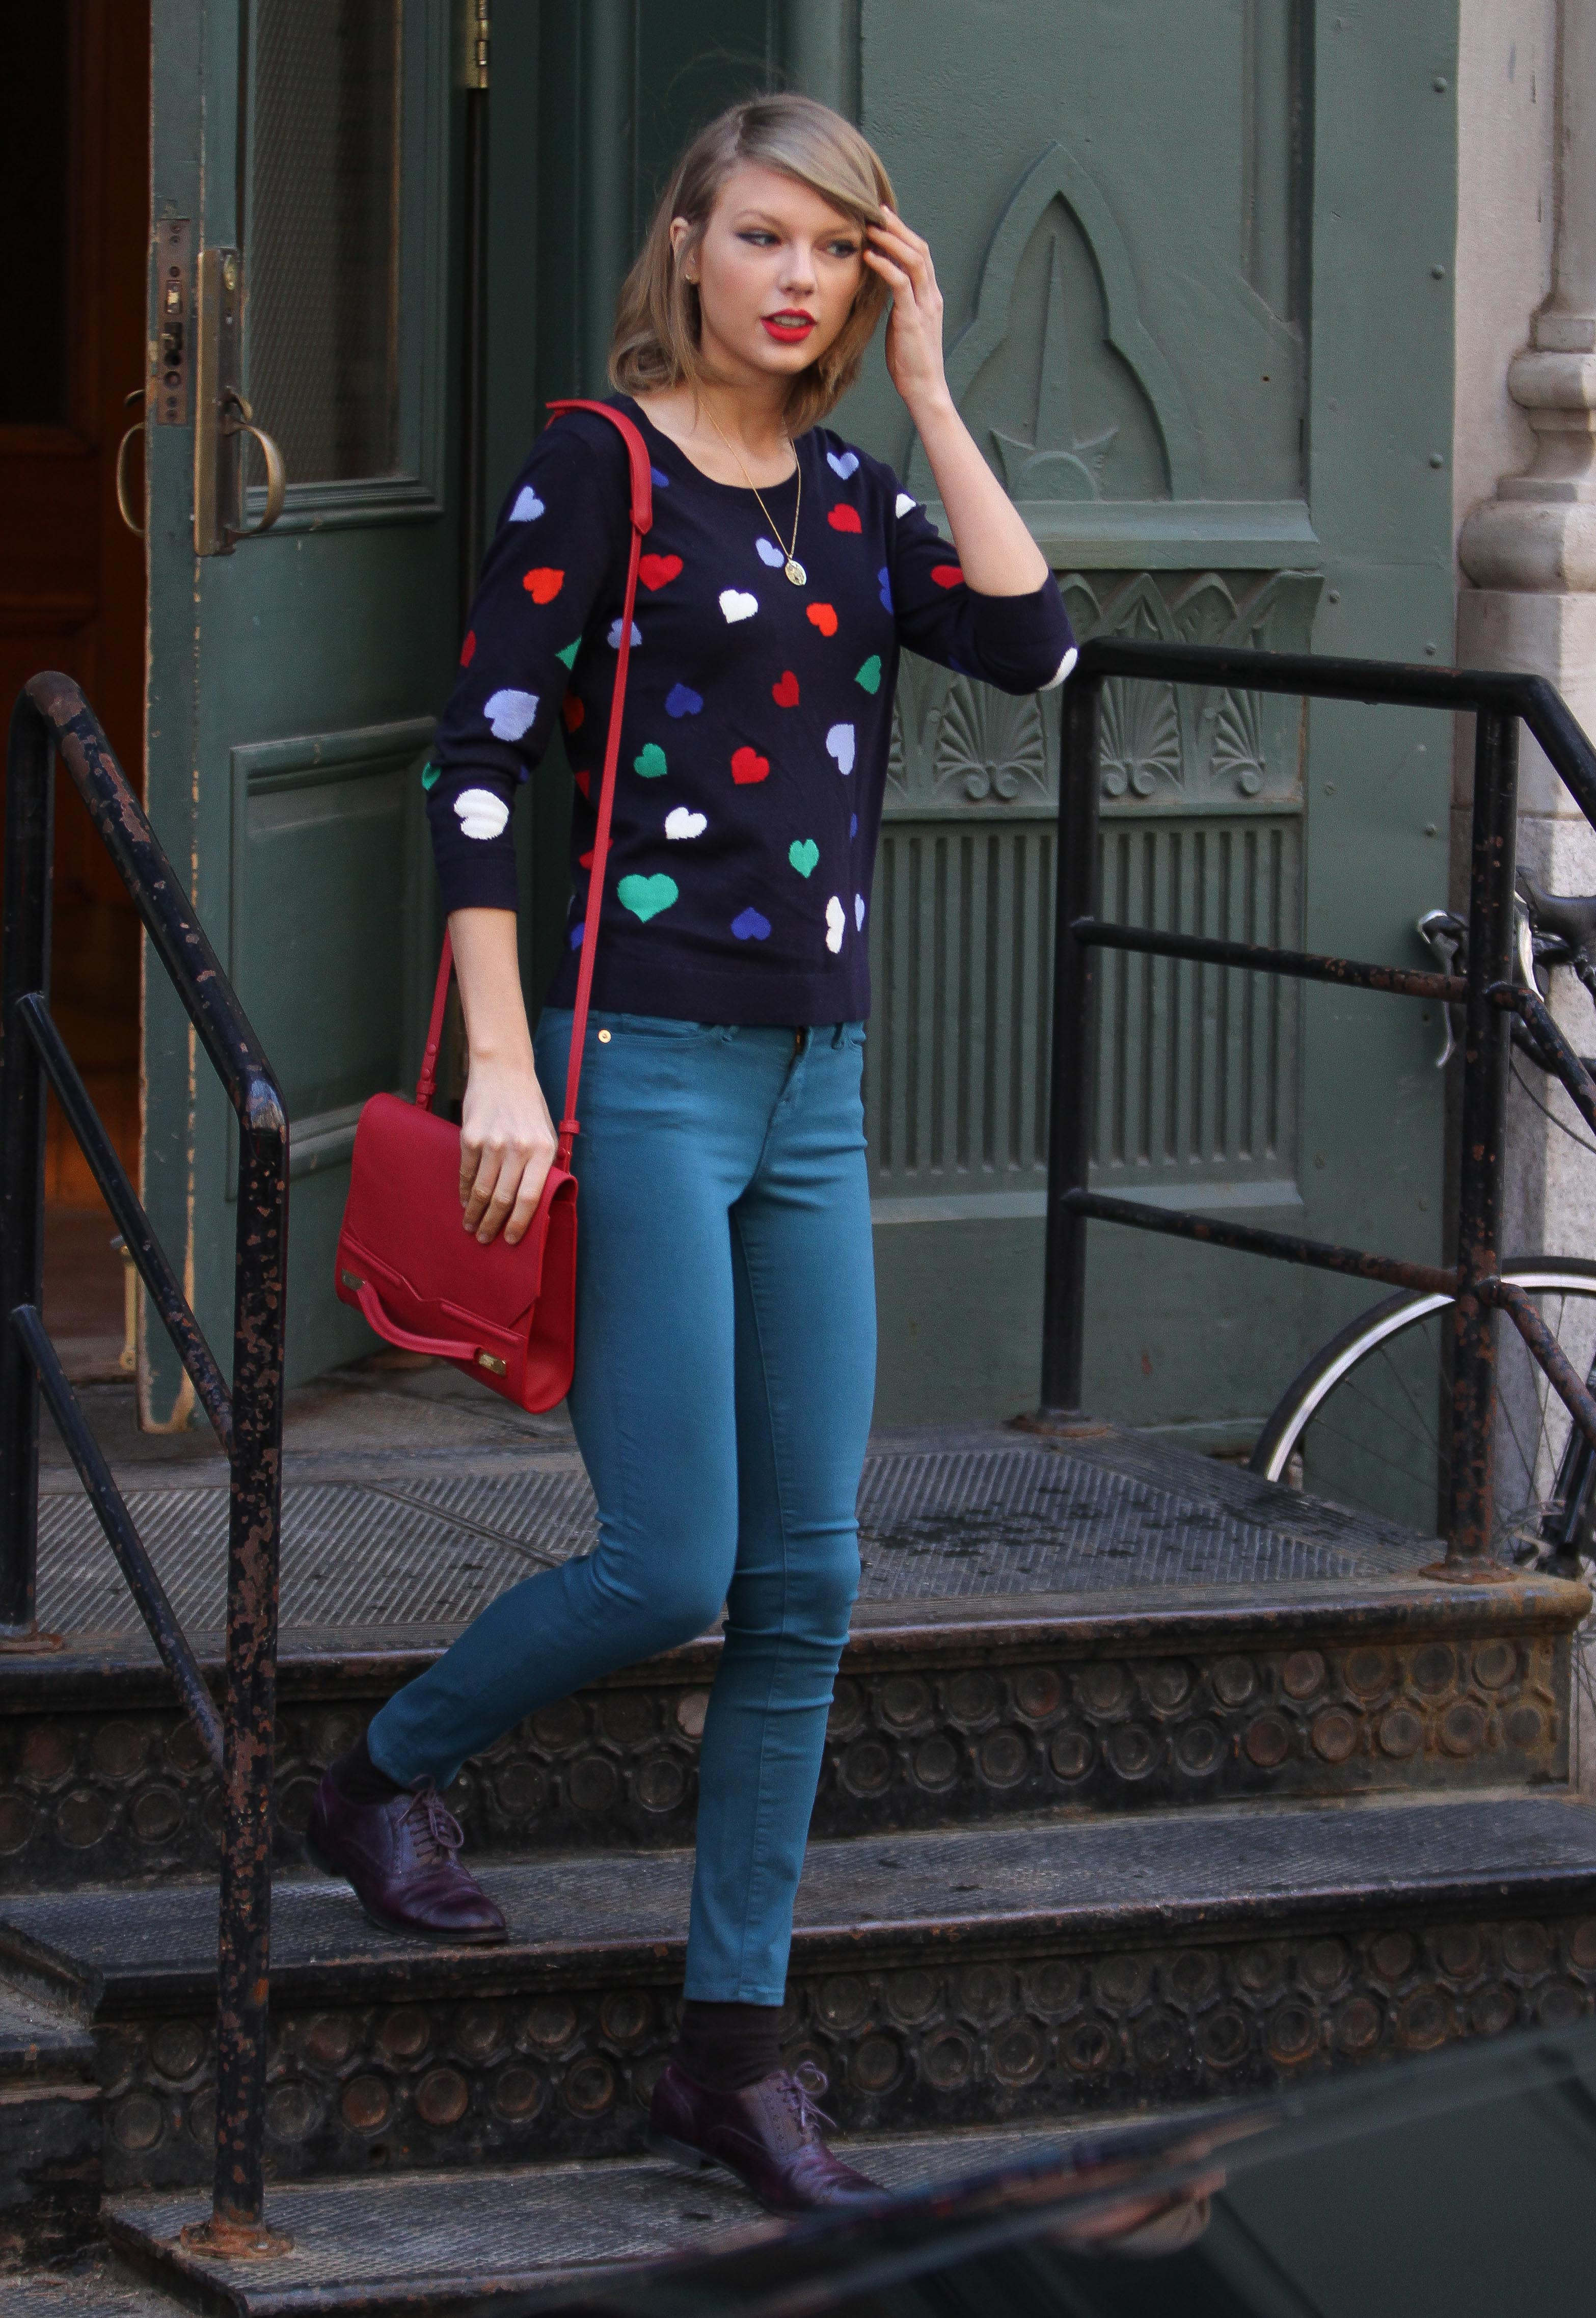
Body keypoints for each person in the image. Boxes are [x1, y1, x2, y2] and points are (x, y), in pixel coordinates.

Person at [306, 92, 1076, 2214]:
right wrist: (501, 1061)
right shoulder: (603, 465)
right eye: (761, 236)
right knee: (670, 1559)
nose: (795, 278)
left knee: (806, 1579)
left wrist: (932, 393)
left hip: (816, 1081)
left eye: (835, 247)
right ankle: (377, 1773)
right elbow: (479, 762)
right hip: (632, 1062)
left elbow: (1030, 645)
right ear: (686, 247)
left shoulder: (856, 494)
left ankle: (731, 2053)